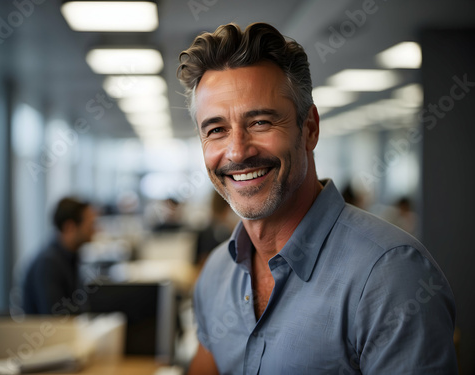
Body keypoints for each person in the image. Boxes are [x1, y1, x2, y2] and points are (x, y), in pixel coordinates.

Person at [177, 23, 457, 374]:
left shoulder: (391, 276)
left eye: (261, 122)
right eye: (216, 130)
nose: (237, 151)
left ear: (309, 128)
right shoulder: (216, 273)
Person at [22, 197, 96, 314]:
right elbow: (55, 318)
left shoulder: (71, 256)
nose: (95, 230)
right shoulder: (48, 263)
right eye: (90, 225)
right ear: (70, 227)